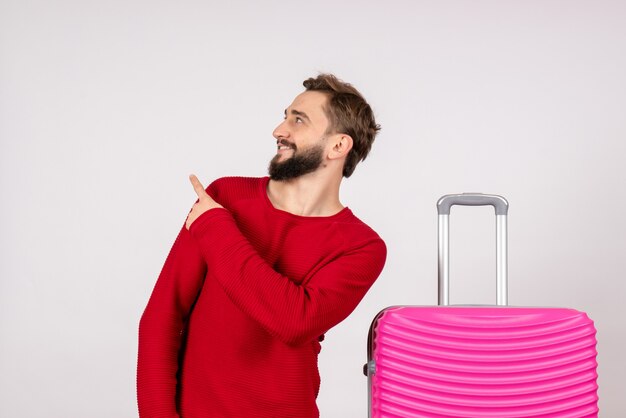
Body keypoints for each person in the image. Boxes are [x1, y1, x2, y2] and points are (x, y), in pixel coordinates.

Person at [137, 74, 387, 418]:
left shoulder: (362, 247)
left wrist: (216, 228)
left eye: (298, 120)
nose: (278, 130)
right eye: (285, 116)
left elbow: (294, 321)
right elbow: (162, 315)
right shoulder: (226, 197)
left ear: (338, 146)